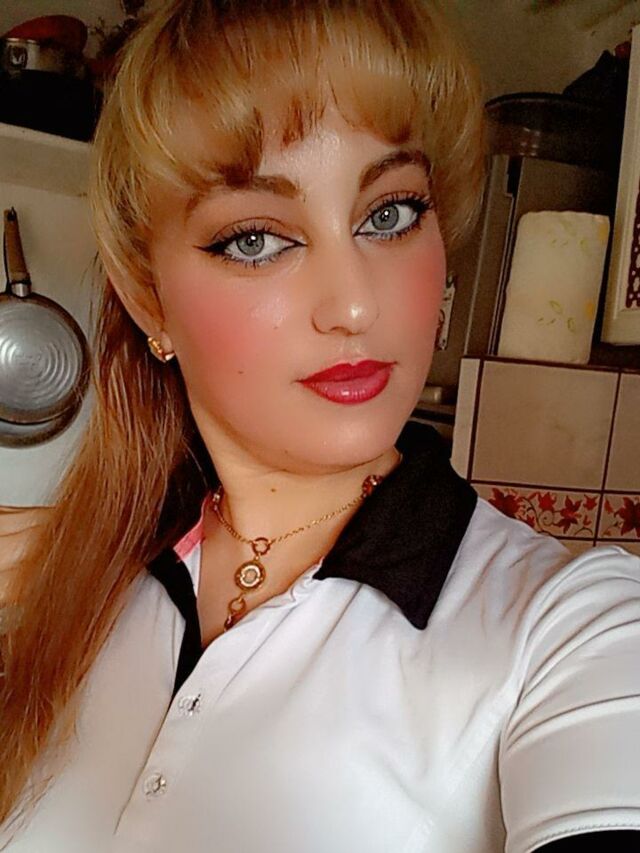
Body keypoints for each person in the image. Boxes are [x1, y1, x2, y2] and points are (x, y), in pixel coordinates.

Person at [0, 1, 639, 851]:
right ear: (148, 298)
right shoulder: (90, 576)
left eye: (390, 214)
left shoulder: (574, 629)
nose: (353, 305)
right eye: (256, 239)